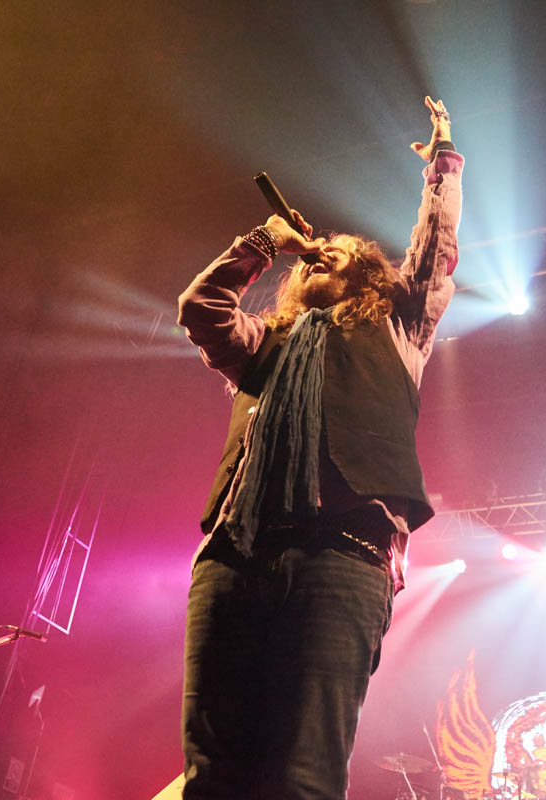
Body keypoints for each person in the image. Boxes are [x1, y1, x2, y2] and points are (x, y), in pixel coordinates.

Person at [176, 96, 462, 798]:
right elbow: (200, 309)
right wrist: (262, 242)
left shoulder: (399, 327)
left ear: (370, 273)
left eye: (343, 249)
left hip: (343, 556)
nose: (324, 249)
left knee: (303, 774)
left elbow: (432, 256)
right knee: (212, 775)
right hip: (235, 554)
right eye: (314, 251)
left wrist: (442, 167)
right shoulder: (263, 343)